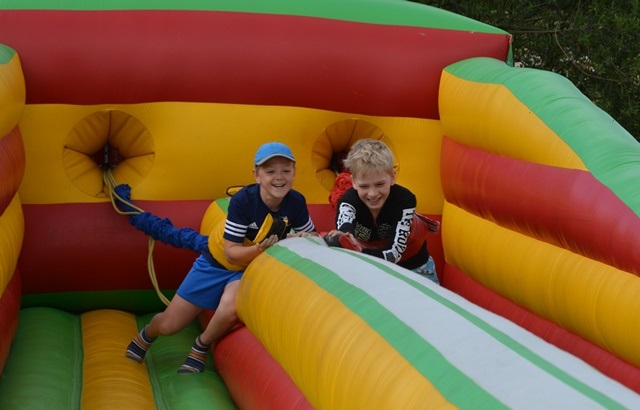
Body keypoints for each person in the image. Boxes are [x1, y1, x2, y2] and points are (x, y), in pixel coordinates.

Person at [119, 142, 317, 373]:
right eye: (270, 171)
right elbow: (231, 254)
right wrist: (260, 249)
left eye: (286, 170)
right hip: (217, 263)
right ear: (256, 175)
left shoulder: (296, 201)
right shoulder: (244, 201)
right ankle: (148, 333)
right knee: (170, 325)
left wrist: (305, 237)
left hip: (248, 270)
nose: (279, 177)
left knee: (230, 306)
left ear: (294, 172)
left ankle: (201, 345)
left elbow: (311, 234)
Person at [324, 139, 440, 284]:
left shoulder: (405, 200)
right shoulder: (347, 202)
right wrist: (344, 238)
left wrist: (359, 252)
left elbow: (394, 254)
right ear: (353, 182)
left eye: (379, 184)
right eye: (364, 186)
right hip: (372, 265)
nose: (372, 193)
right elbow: (345, 232)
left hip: (415, 268)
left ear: (392, 177)